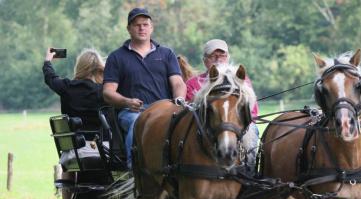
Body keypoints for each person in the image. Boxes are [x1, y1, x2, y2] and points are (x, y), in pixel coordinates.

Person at [103, 7, 186, 168]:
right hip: (132, 112)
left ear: (151, 28)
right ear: (128, 29)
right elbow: (108, 92)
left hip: (165, 110)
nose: (142, 28)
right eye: (137, 25)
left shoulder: (167, 53)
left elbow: (178, 83)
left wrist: (179, 99)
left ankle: (183, 171)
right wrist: (127, 102)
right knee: (137, 122)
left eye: (145, 24)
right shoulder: (116, 57)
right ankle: (133, 172)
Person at [43, 47, 106, 199]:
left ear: (79, 67)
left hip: (77, 151)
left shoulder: (67, 87)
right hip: (103, 149)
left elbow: (50, 78)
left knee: (68, 159)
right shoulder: (103, 91)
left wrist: (48, 60)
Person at [186, 39, 260, 173]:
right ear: (205, 60)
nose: (218, 59)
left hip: (236, 127)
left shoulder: (241, 79)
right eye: (212, 56)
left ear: (228, 58)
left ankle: (250, 170)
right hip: (204, 130)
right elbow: (188, 112)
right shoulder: (193, 83)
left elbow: (253, 111)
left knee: (253, 129)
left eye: (222, 55)